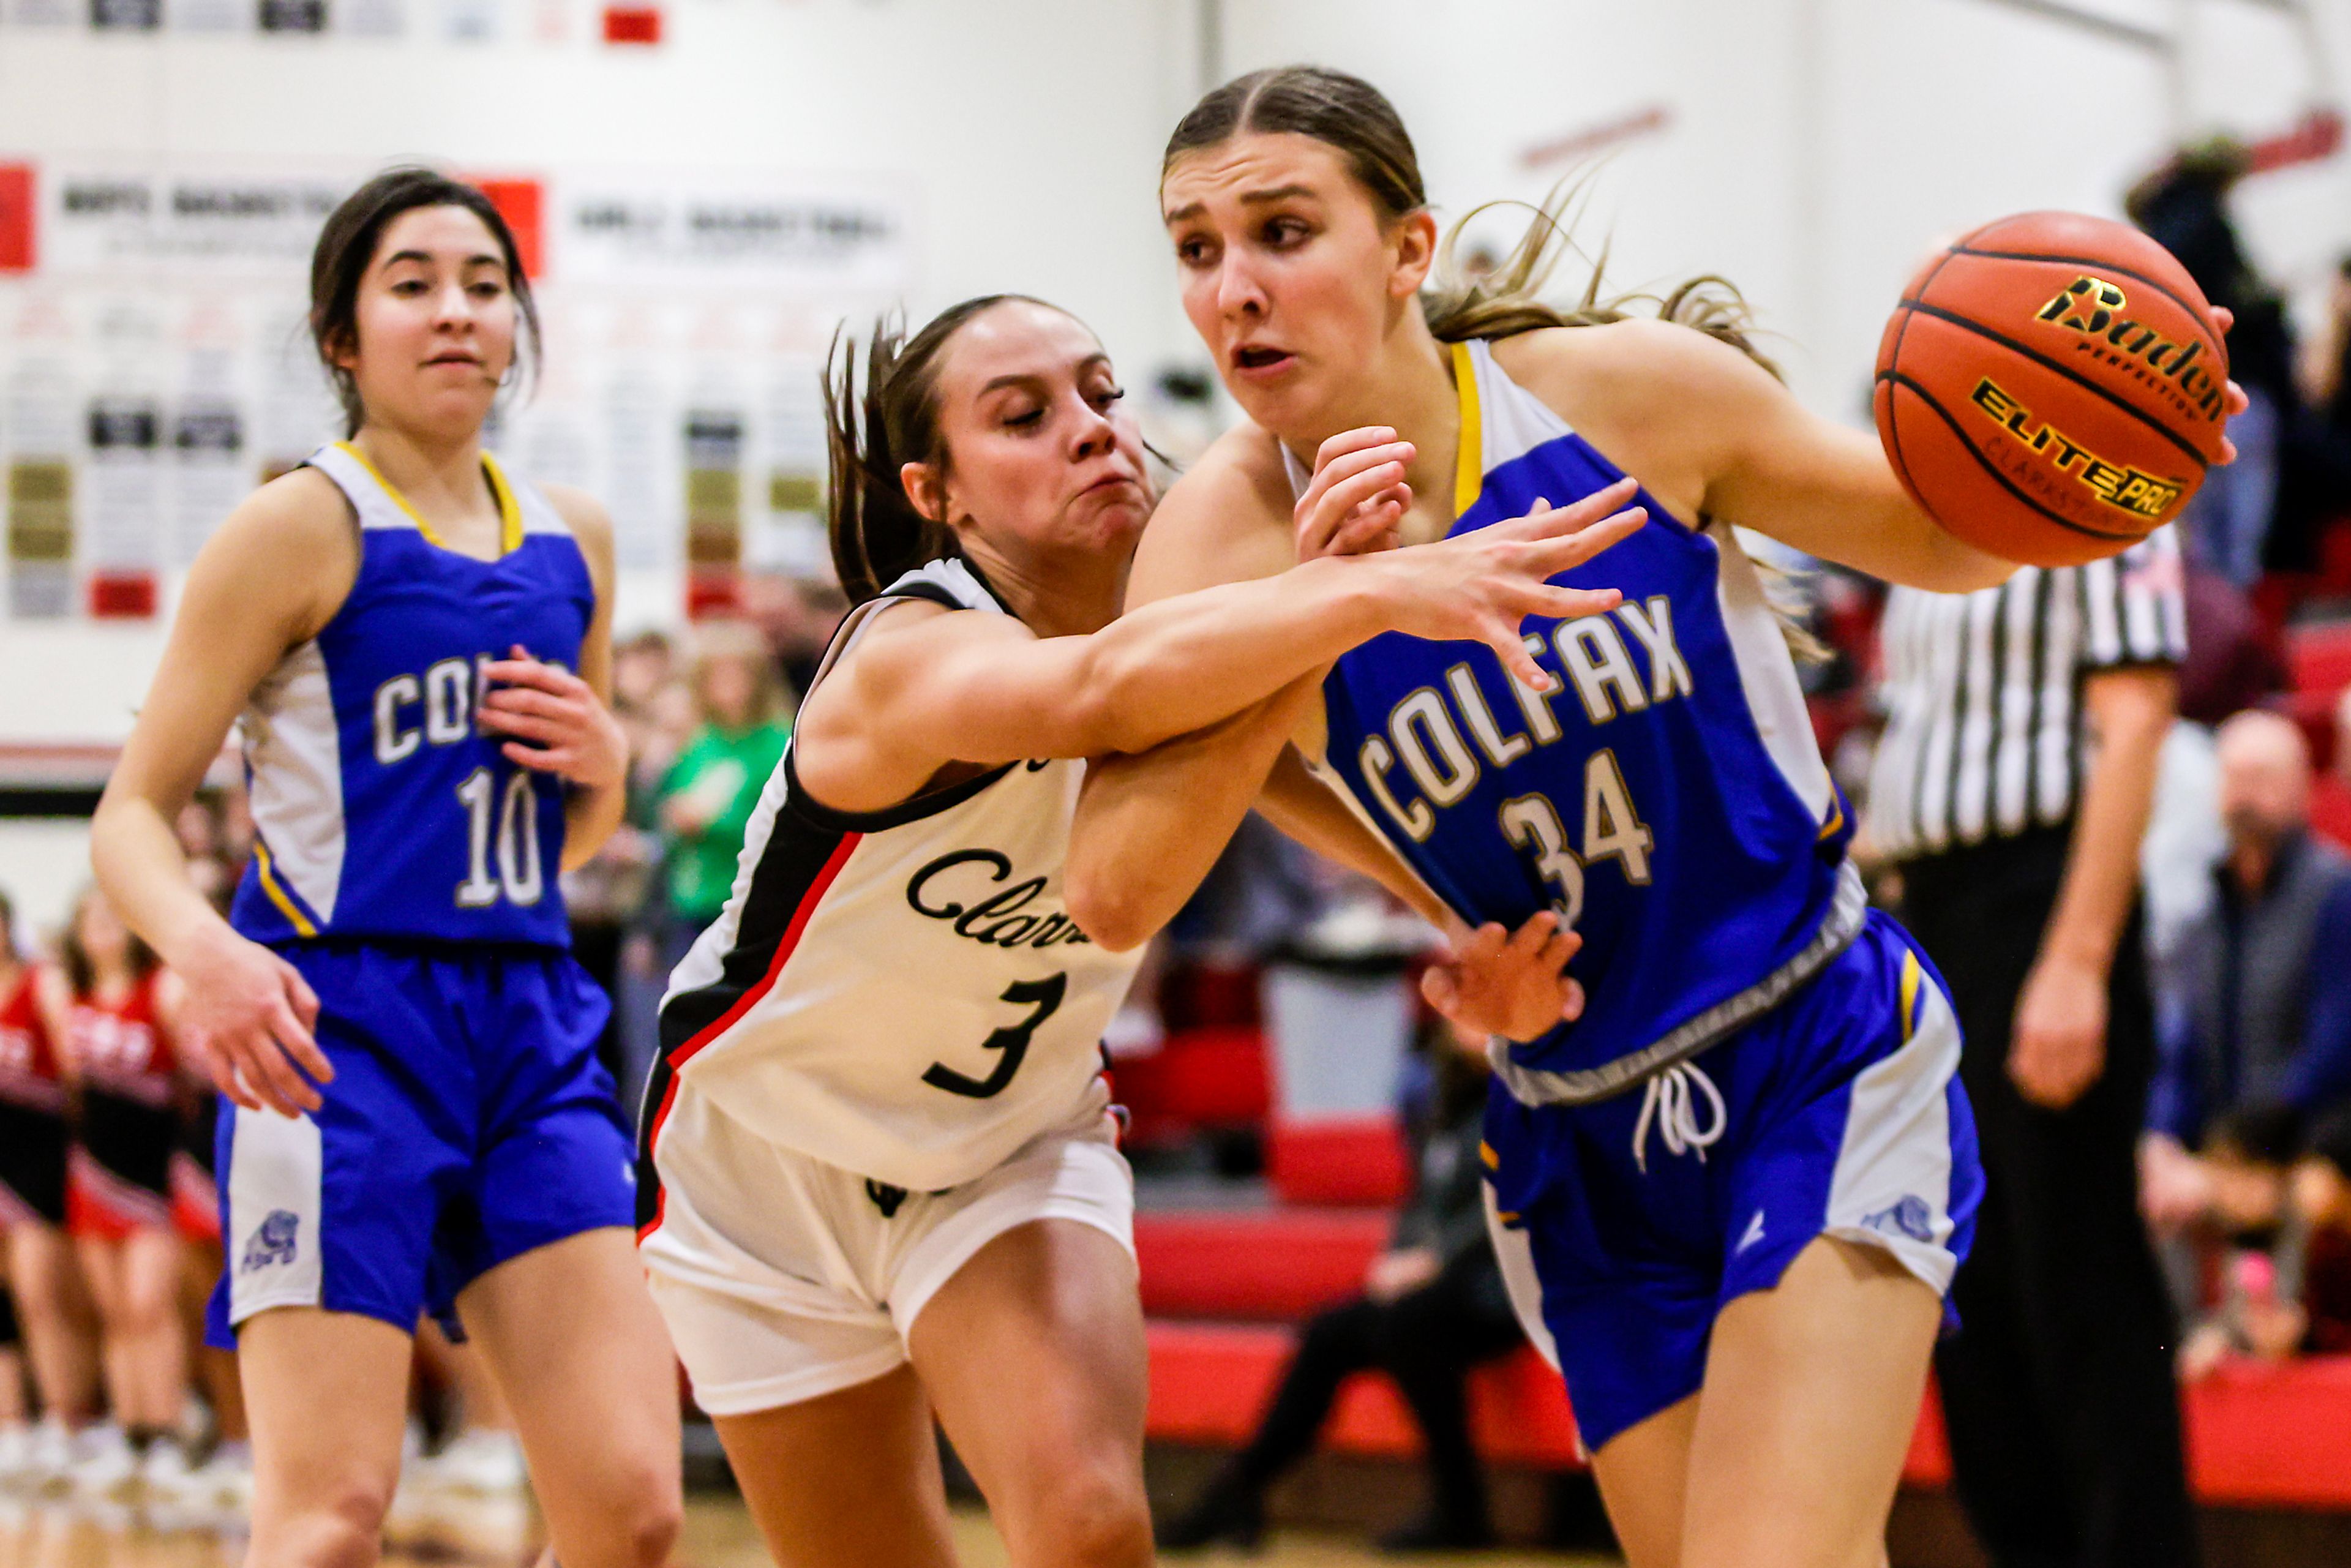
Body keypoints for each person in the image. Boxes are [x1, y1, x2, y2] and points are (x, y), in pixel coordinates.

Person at [1077, 65, 2229, 1568]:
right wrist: (1320, 623)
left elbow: (1938, 539)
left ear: (1407, 247)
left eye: (1281, 230)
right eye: (1194, 248)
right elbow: (1114, 885)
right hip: (1577, 1118)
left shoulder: (1613, 391)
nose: (1234, 287)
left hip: (1804, 1043)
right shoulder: (1220, 544)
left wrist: (2125, 433)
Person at [634, 291, 1637, 1568]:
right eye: (1025, 415)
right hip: (758, 1167)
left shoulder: (1188, 633)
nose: (1094, 430)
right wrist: (1362, 587)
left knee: (1092, 1523)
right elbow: (1102, 691)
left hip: (1001, 1147)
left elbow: (1297, 779)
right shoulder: (907, 654)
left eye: (1104, 394)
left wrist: (1473, 923)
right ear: (935, 493)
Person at [89, 167, 680, 1568]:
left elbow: (569, 838)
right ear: (342, 334)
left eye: (484, 283)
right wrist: (210, 952)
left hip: (532, 1023)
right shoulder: (296, 524)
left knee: (631, 1506)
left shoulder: (574, 540)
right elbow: (130, 811)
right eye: (412, 282)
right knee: (327, 1517)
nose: (456, 310)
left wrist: (607, 768)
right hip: (332, 1032)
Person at [1158, 1022, 1526, 1551]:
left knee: (1409, 1323)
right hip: (1438, 1286)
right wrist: (1397, 1259)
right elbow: (1420, 1200)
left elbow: (1517, 1199)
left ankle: (1462, 1510)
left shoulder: (1529, 1090)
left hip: (1504, 1284)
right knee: (1330, 1331)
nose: (1464, 1021)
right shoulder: (1440, 1095)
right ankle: (1238, 1490)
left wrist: (1435, 1259)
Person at [54, 887, 197, 1495]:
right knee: (114, 1311)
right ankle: (131, 1429)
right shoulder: (74, 1000)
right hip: (95, 1172)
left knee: (149, 1306)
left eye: (116, 917)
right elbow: (69, 1091)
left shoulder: (160, 989)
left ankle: (168, 1427)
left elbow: (192, 1083)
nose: (105, 929)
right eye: (93, 918)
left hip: (153, 1178)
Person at [0, 888, 96, 1481]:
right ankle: (11, 1422)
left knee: (42, 1293)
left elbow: (77, 1078)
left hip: (37, 1157)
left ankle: (69, 1421)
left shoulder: (43, 982)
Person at [654, 620, 793, 967]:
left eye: (738, 673)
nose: (728, 685)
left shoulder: (778, 744)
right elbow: (669, 818)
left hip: (751, 902)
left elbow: (782, 824)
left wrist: (708, 825)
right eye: (717, 674)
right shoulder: (700, 744)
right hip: (692, 900)